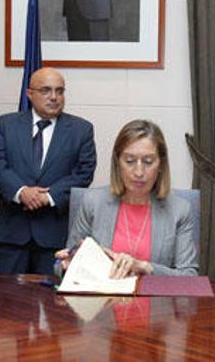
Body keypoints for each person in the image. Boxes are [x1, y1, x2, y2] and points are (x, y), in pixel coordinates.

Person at [0, 67, 97, 274]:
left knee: (52, 302)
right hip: (12, 234)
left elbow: (84, 172)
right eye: (46, 90)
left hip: (55, 236)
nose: (54, 97)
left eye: (60, 91)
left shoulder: (81, 130)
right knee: (6, 300)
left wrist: (49, 197)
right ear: (30, 94)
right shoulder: (8, 124)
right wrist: (22, 192)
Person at [57, 119, 198, 278]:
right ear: (118, 163)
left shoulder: (179, 209)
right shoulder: (93, 202)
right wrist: (67, 266)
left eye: (148, 161)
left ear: (161, 165)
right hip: (102, 301)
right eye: (130, 161)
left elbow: (189, 277)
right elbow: (66, 262)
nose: (139, 172)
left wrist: (146, 267)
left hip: (156, 301)